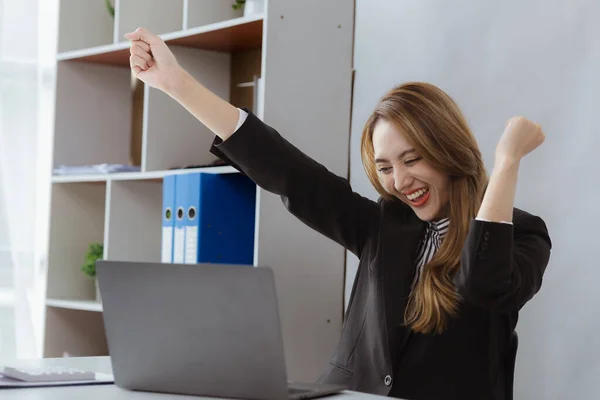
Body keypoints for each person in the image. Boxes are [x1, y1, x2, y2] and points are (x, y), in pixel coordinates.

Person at [124, 27, 552, 400]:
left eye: (413, 159)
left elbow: (483, 284)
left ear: (448, 151)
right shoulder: (384, 224)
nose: (400, 181)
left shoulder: (526, 235)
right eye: (385, 167)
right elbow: (289, 173)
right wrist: (175, 83)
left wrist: (507, 161)